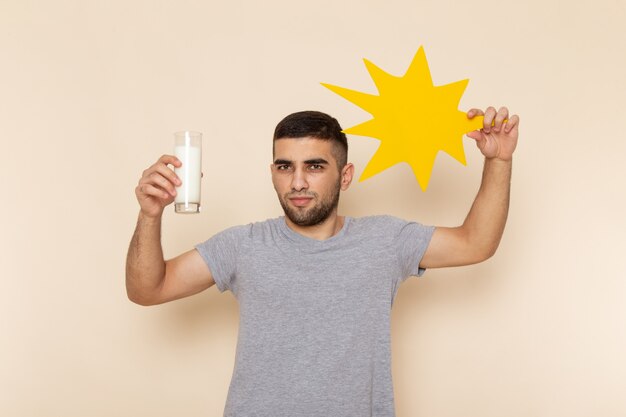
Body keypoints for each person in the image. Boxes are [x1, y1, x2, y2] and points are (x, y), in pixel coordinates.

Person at [126, 107, 519, 417]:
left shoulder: (384, 241)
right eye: (285, 167)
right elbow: (147, 289)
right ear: (273, 173)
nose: (297, 182)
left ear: (345, 176)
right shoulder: (243, 245)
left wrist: (498, 161)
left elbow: (475, 243)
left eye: (314, 166)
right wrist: (150, 214)